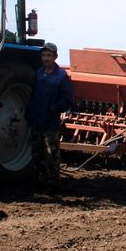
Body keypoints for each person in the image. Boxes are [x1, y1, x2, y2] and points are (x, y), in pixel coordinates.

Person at [26, 42, 74, 183]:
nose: (45, 58)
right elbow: (32, 95)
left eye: (49, 55)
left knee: (51, 154)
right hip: (36, 120)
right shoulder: (39, 74)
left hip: (50, 122)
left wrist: (54, 108)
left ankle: (52, 182)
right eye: (44, 55)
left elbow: (68, 98)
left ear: (55, 57)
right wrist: (29, 112)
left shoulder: (61, 76)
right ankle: (39, 181)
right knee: (37, 154)